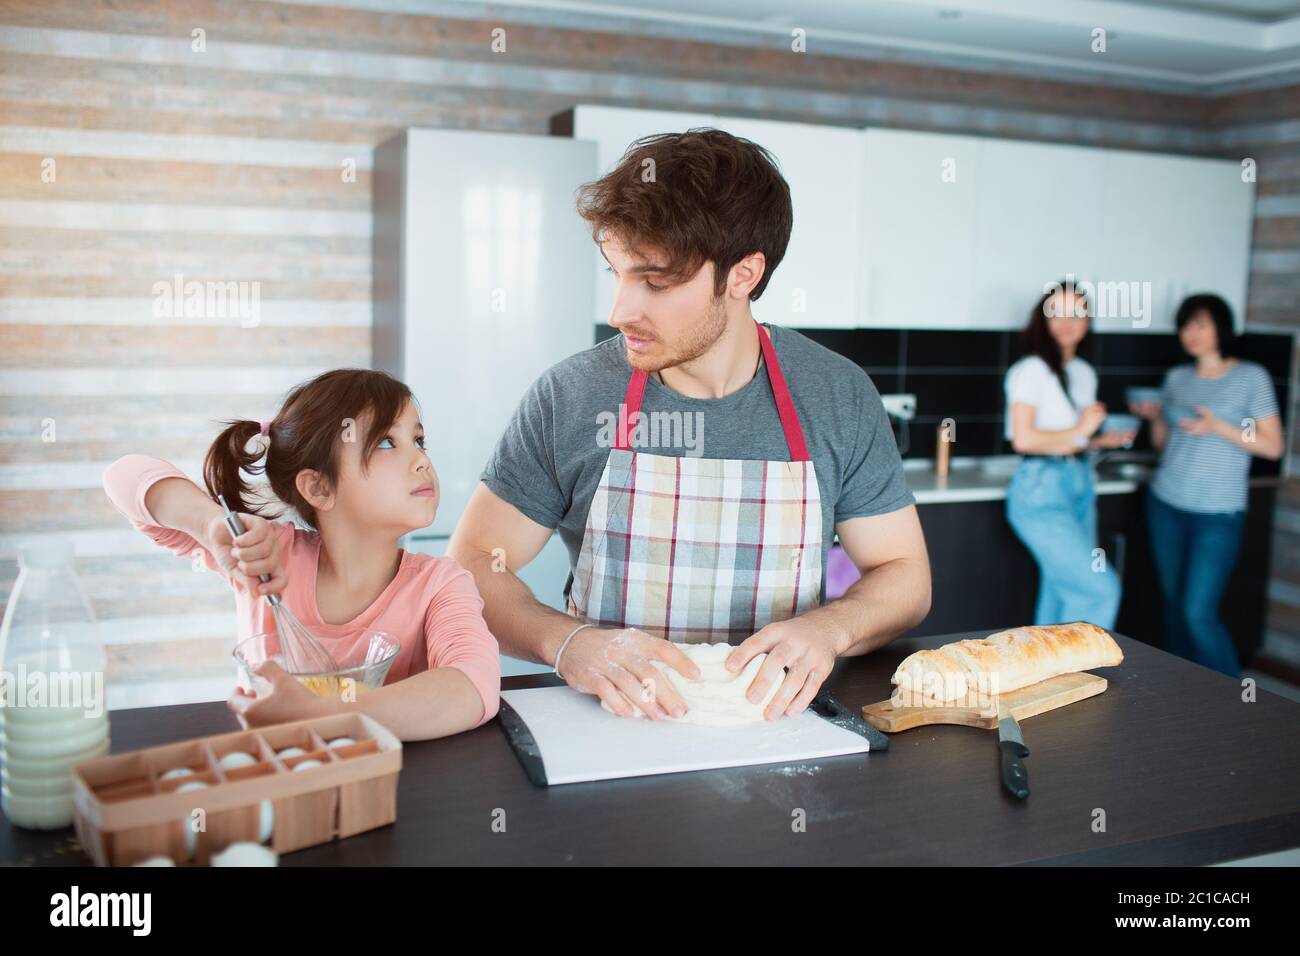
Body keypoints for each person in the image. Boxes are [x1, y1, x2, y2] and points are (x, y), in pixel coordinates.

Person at [448, 128, 931, 721]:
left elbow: (904, 574)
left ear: (742, 275)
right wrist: (566, 641)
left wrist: (830, 630)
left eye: (655, 282)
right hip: (609, 726)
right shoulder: (571, 396)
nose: (620, 312)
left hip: (777, 727)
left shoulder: (836, 395)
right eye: (617, 274)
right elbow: (472, 560)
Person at [102, 369, 500, 740]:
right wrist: (211, 525)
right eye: (384, 442)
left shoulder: (441, 585)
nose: (421, 461)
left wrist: (322, 713)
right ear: (319, 489)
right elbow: (122, 476)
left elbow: (473, 686)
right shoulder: (266, 557)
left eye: (418, 440)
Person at [1129, 293, 1283, 676]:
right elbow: (1166, 443)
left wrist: (1218, 426)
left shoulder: (1251, 377)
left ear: (1221, 327)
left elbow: (1273, 444)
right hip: (1166, 502)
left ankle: (1237, 703)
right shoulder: (1177, 378)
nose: (1191, 333)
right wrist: (1154, 417)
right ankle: (1185, 696)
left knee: (1198, 612)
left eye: (1201, 323)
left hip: (1217, 513)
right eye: (1185, 325)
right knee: (1173, 609)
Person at [1004, 280, 1133, 629]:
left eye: (1076, 312)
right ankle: (1085, 673)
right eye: (1056, 312)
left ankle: (1053, 677)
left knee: (1062, 589)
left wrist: (1098, 441)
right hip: (1040, 489)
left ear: (1088, 321)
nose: (1067, 320)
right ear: (1042, 320)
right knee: (1099, 589)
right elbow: (1023, 439)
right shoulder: (1032, 370)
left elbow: (1071, 441)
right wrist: (1081, 429)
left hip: (1078, 483)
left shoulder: (1083, 373)